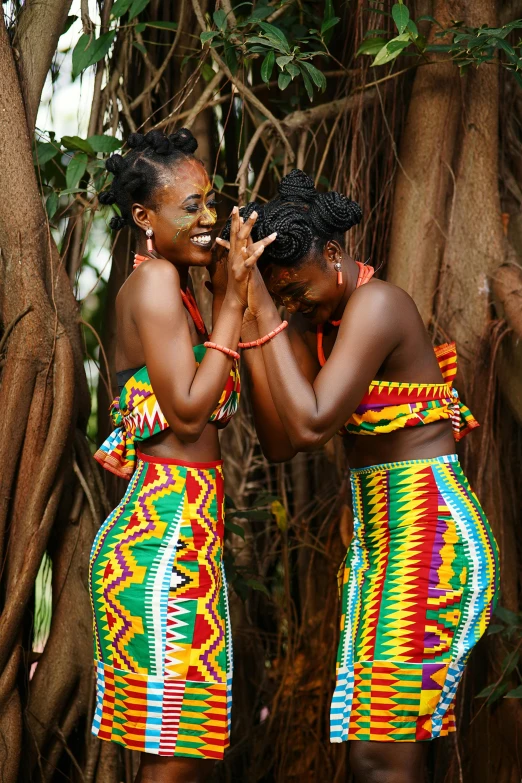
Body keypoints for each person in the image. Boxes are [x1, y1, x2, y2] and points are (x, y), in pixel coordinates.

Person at [217, 169, 499, 783]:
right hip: (381, 550)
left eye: (297, 291)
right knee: (375, 756)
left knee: (380, 758)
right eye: (282, 296)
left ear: (336, 254)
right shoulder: (317, 327)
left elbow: (314, 423)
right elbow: (281, 441)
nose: (295, 306)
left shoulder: (378, 305)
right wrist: (253, 317)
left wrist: (261, 306)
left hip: (430, 543)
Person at [88, 128, 275, 783]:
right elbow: (192, 409)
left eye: (211, 204)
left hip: (182, 542)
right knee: (176, 754)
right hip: (160, 546)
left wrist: (226, 302)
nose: (210, 220)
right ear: (143, 217)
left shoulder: (179, 294)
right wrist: (232, 301)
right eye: (190, 206)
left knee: (181, 749)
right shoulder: (157, 286)